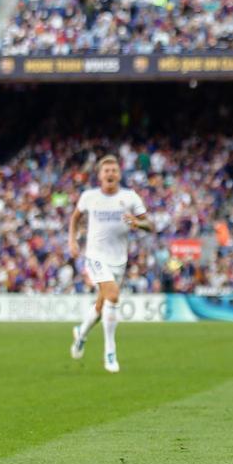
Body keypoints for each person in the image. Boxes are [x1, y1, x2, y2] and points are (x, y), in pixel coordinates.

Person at [68, 155, 151, 373]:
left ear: (119, 174)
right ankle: (110, 353)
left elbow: (150, 225)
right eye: (106, 171)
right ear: (100, 175)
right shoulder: (89, 197)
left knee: (102, 304)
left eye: (114, 170)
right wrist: (73, 240)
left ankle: (81, 333)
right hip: (95, 256)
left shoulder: (130, 197)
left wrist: (138, 223)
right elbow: (75, 217)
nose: (110, 174)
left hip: (119, 260)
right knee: (113, 296)